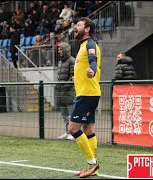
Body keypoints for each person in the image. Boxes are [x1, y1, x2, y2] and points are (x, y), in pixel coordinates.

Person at [69, 17, 101, 178]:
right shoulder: (82, 46)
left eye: (79, 25)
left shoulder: (90, 44)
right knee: (88, 129)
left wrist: (92, 71)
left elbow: (93, 62)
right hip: (88, 93)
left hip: (87, 95)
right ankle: (92, 166)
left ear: (87, 29)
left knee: (73, 129)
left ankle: (92, 164)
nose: (75, 27)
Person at [56, 42, 75, 140]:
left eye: (60, 49)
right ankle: (67, 132)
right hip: (60, 93)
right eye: (58, 49)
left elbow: (73, 77)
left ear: (65, 50)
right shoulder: (60, 62)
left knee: (71, 114)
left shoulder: (72, 61)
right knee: (64, 114)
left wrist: (65, 86)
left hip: (69, 92)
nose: (59, 51)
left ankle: (73, 133)